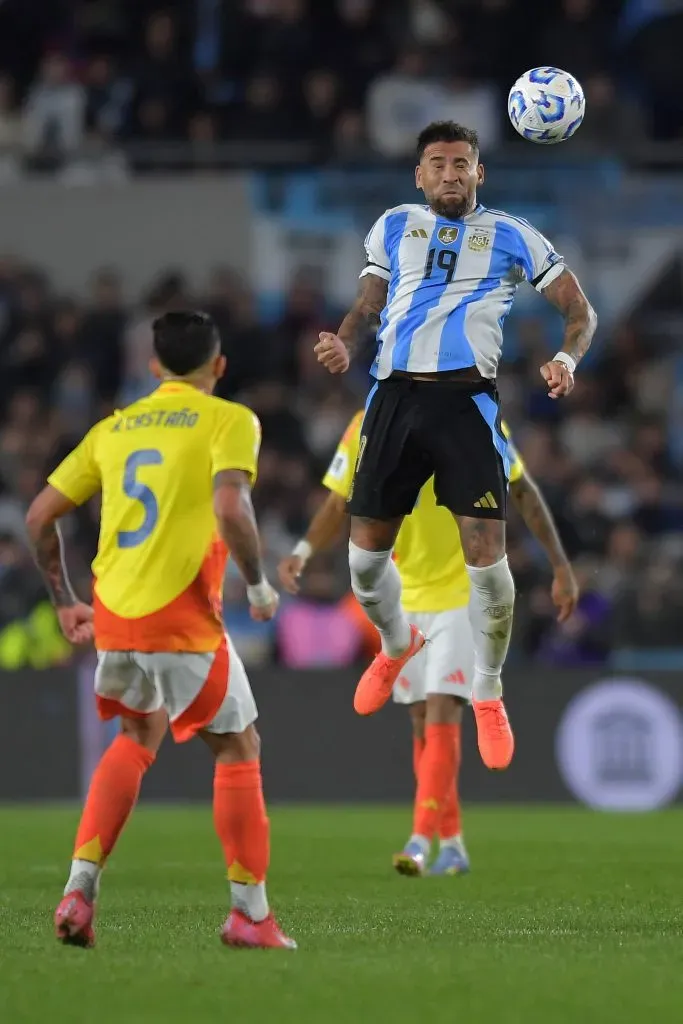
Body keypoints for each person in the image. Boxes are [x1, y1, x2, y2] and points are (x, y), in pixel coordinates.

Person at [314, 120, 596, 771]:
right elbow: (365, 305)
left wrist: (565, 357)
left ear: (478, 172)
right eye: (436, 163)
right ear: (419, 174)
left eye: (460, 162)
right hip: (392, 399)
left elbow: (579, 312)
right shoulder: (392, 225)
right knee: (362, 565)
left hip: (466, 402)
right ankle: (393, 646)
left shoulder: (513, 235)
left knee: (485, 560)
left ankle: (488, 690)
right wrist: (343, 340)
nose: (448, 173)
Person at [26, 310, 295, 951]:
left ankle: (78, 891)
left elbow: (40, 516)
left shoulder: (112, 429)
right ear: (219, 365)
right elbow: (231, 503)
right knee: (237, 747)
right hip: (182, 617)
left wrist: (65, 601)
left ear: (154, 367)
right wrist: (258, 585)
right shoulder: (229, 419)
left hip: (114, 613)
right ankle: (249, 916)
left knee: (136, 734)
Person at [279, 411, 578, 876]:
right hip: (403, 595)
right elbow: (339, 500)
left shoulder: (475, 412)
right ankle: (453, 842)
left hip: (460, 593)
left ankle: (419, 840)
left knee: (443, 709)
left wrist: (560, 565)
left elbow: (522, 488)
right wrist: (302, 551)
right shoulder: (365, 422)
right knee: (421, 723)